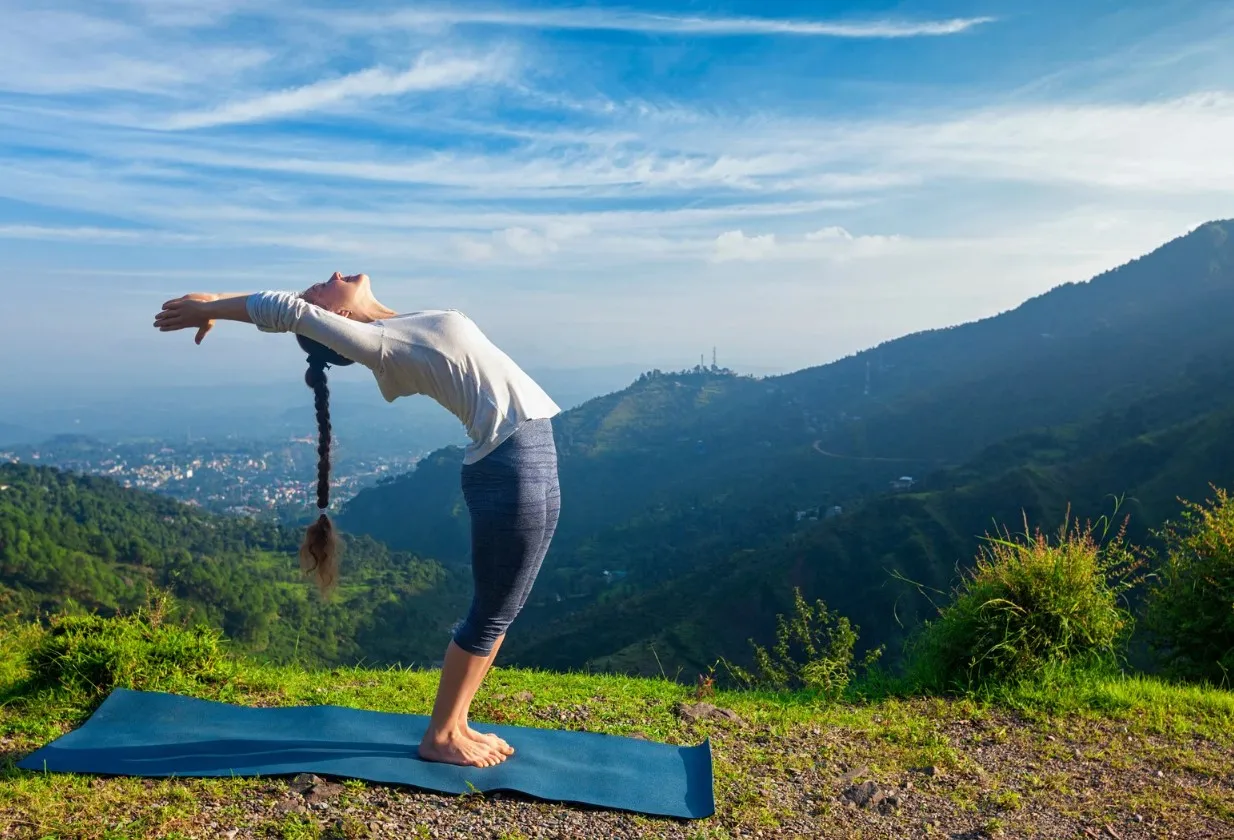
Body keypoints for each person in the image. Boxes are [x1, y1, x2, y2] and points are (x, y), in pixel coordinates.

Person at [153, 273, 562, 768]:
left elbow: (298, 309)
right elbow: (289, 311)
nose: (326, 279)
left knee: (504, 607)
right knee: (493, 611)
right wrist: (211, 304)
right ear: (337, 320)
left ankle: (456, 723)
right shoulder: (382, 344)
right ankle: (441, 735)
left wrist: (218, 304)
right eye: (319, 291)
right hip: (509, 465)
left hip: (527, 456)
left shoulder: (399, 324)